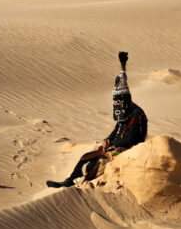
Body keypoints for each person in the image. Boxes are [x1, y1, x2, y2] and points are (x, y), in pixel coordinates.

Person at [46, 51, 147, 188]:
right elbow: (116, 130)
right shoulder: (125, 113)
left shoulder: (137, 114)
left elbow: (132, 138)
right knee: (87, 156)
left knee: (95, 163)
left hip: (128, 150)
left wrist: (112, 144)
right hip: (115, 146)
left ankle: (78, 184)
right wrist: (107, 140)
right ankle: (69, 181)